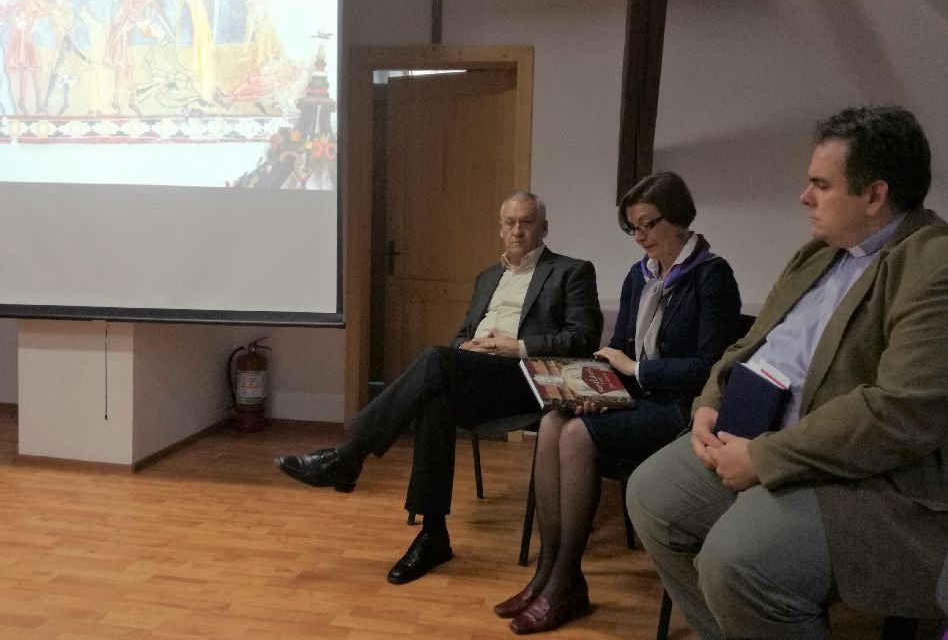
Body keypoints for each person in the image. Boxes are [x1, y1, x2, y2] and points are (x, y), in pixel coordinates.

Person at [627, 105, 948, 639]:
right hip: (757, 430)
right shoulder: (819, 253)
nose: (804, 197)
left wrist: (764, 458)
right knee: (650, 494)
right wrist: (709, 401)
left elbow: (899, 411)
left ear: (874, 195)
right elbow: (749, 343)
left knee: (736, 561)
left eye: (821, 185)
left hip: (864, 475)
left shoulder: (933, 263)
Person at [277, 191, 603, 584]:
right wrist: (466, 348)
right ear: (500, 229)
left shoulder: (571, 271)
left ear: (544, 228)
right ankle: (433, 535)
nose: (518, 230)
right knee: (437, 401)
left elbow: (582, 338)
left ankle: (348, 457)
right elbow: (462, 336)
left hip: (530, 380)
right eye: (510, 223)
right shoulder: (487, 277)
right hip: (481, 375)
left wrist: (515, 346)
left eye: (527, 222)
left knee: (434, 358)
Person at [496, 172, 743, 634]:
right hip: (639, 399)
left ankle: (567, 580)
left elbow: (710, 368)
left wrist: (635, 370)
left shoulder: (712, 276)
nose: (640, 237)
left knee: (576, 435)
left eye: (648, 224)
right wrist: (596, 389)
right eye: (633, 228)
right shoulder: (639, 275)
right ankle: (548, 572)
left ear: (679, 218)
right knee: (554, 421)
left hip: (682, 410)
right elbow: (621, 348)